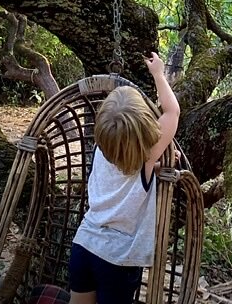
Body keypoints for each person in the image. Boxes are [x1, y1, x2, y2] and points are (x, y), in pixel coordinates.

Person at [68, 52, 180, 304]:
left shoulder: (101, 147)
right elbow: (172, 111)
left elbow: (119, 167)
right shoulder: (145, 159)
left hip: (83, 245)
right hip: (117, 260)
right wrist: (158, 74)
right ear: (145, 132)